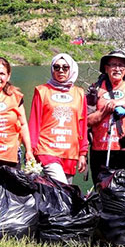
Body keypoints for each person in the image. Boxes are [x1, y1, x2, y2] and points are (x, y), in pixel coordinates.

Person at [86, 50, 125, 185]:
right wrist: (105, 110)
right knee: (102, 190)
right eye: (113, 65)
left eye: (121, 65)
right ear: (106, 68)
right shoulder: (94, 89)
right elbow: (87, 121)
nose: (117, 69)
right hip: (100, 149)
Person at [28, 53, 88, 184]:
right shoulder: (42, 91)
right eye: (57, 67)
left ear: (71, 69)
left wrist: (83, 153)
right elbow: (34, 123)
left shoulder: (80, 94)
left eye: (65, 67)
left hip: (70, 152)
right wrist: (30, 151)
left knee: (63, 196)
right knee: (62, 187)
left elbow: (82, 125)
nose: (61, 70)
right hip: (47, 150)